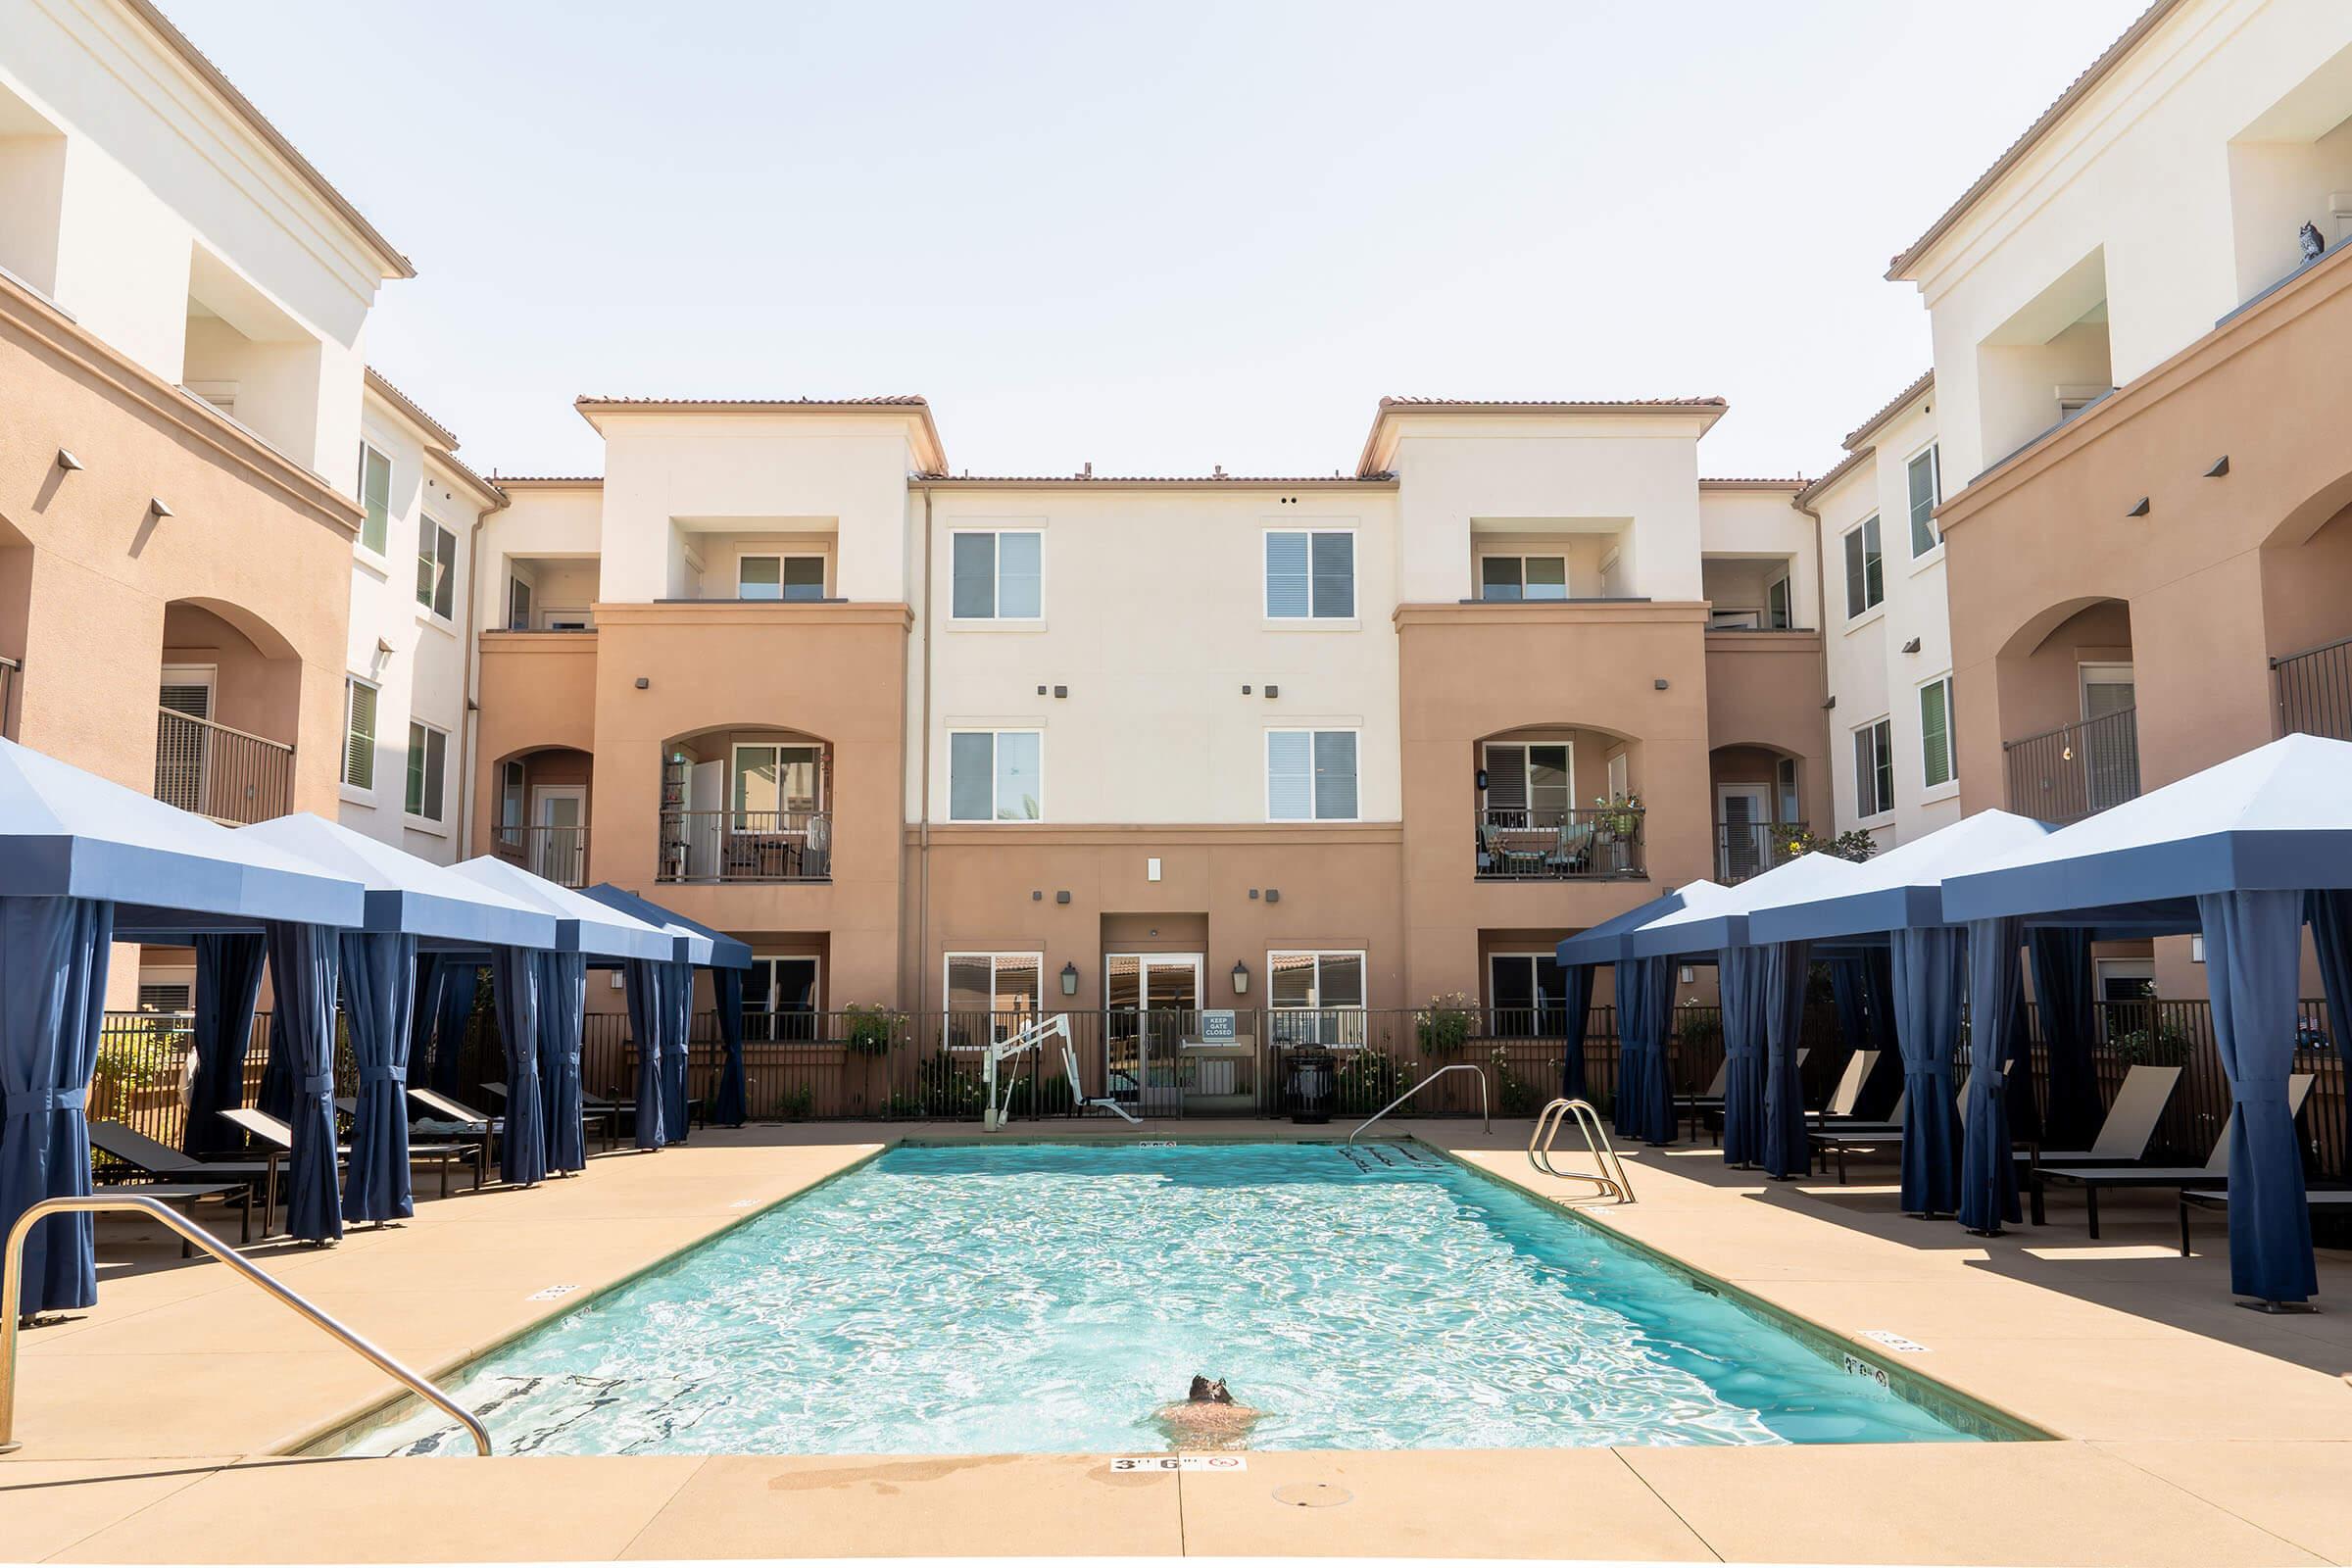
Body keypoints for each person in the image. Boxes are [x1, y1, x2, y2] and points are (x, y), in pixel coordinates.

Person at [1154, 1375, 1261, 1450]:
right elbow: (1267, 1415)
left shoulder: (1171, 1413)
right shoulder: (1241, 1413)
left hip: (1187, 1454)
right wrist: (1231, 1401)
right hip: (1230, 1455)